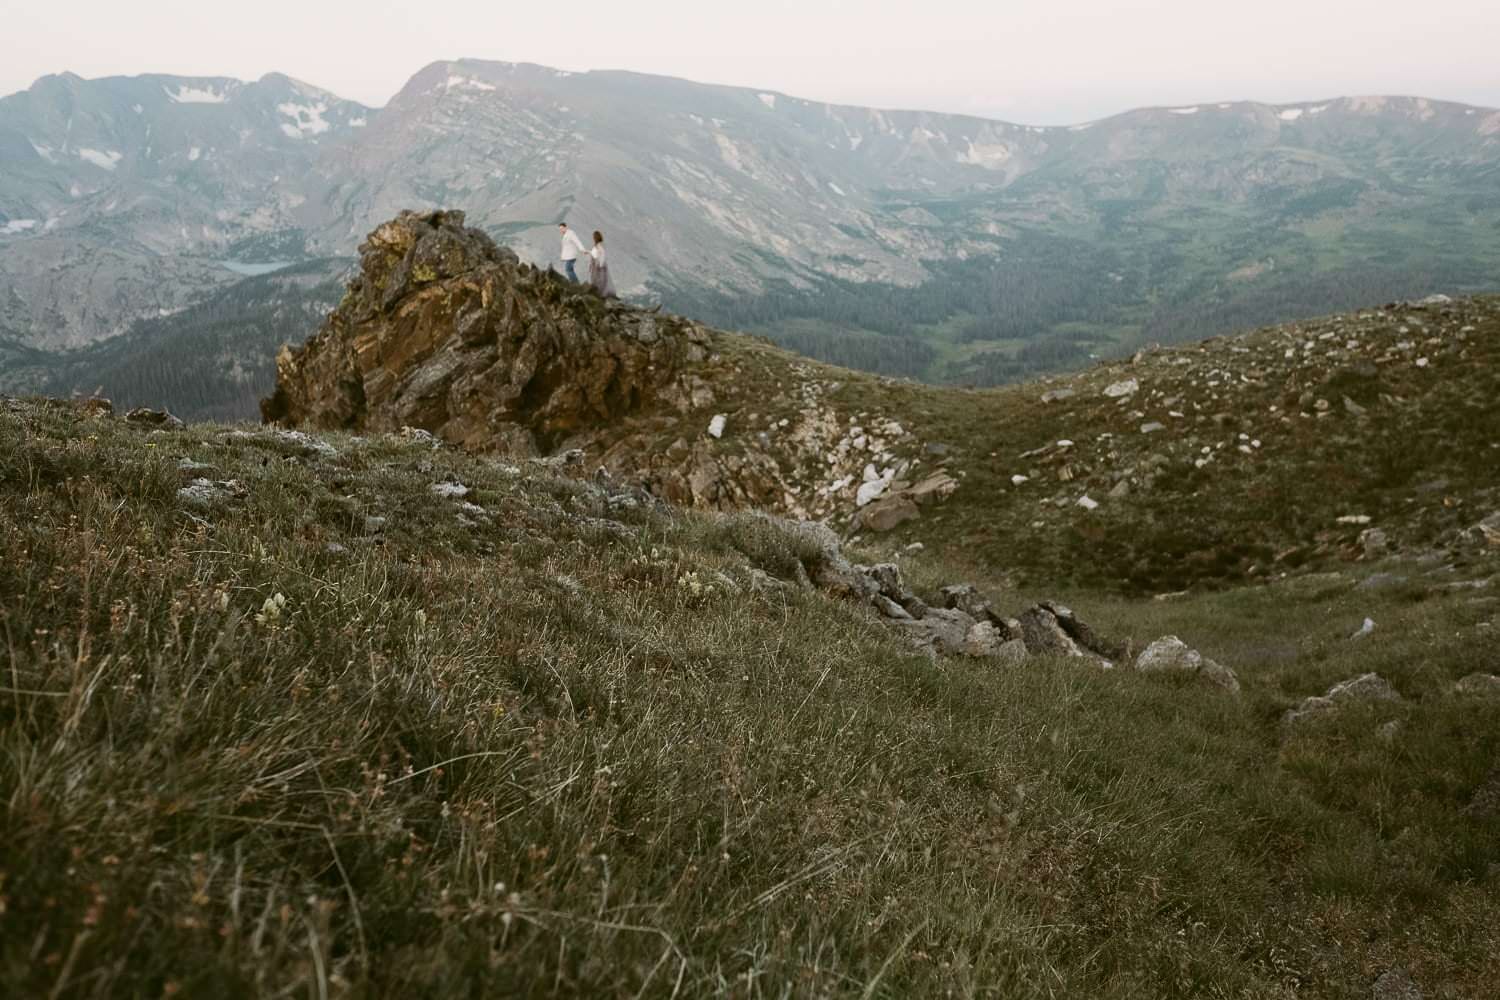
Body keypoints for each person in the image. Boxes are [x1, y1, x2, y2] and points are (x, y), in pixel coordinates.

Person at [588, 231, 616, 298]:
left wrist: (600, 264)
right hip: (596, 264)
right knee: (597, 279)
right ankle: (599, 292)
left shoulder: (599, 245)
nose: (593, 238)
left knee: (600, 279)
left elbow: (602, 255)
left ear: (596, 237)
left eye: (594, 237)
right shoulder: (597, 245)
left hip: (598, 265)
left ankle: (600, 293)